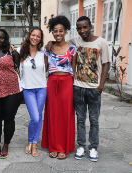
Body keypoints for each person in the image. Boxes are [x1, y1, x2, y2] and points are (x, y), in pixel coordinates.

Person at [46, 16, 111, 162]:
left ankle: (93, 147)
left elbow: (106, 64)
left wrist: (101, 85)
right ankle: (81, 146)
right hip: (78, 86)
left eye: (85, 27)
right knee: (80, 119)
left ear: (90, 27)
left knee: (94, 120)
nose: (82, 30)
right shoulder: (74, 42)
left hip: (94, 88)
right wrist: (50, 42)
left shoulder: (101, 43)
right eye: (79, 28)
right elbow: (59, 41)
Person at [41, 15, 77, 160]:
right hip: (52, 82)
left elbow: (73, 71)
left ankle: (63, 147)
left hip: (67, 83)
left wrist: (74, 87)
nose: (58, 34)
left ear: (66, 31)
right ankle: (54, 146)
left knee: (66, 114)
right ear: (52, 32)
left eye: (61, 31)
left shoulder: (73, 49)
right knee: (52, 114)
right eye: (55, 31)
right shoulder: (48, 48)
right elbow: (44, 69)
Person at [0, 29, 23, 159]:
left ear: (5, 39)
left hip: (12, 91)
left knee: (9, 119)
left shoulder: (12, 52)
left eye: (1, 37)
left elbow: (18, 67)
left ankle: (6, 145)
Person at [16, 27, 47, 157]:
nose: (35, 38)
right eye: (33, 35)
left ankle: (33, 144)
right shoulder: (20, 51)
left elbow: (47, 69)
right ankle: (30, 141)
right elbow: (15, 69)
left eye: (38, 36)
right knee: (34, 117)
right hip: (27, 89)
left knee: (39, 117)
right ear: (29, 36)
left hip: (41, 88)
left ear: (41, 39)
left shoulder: (44, 52)